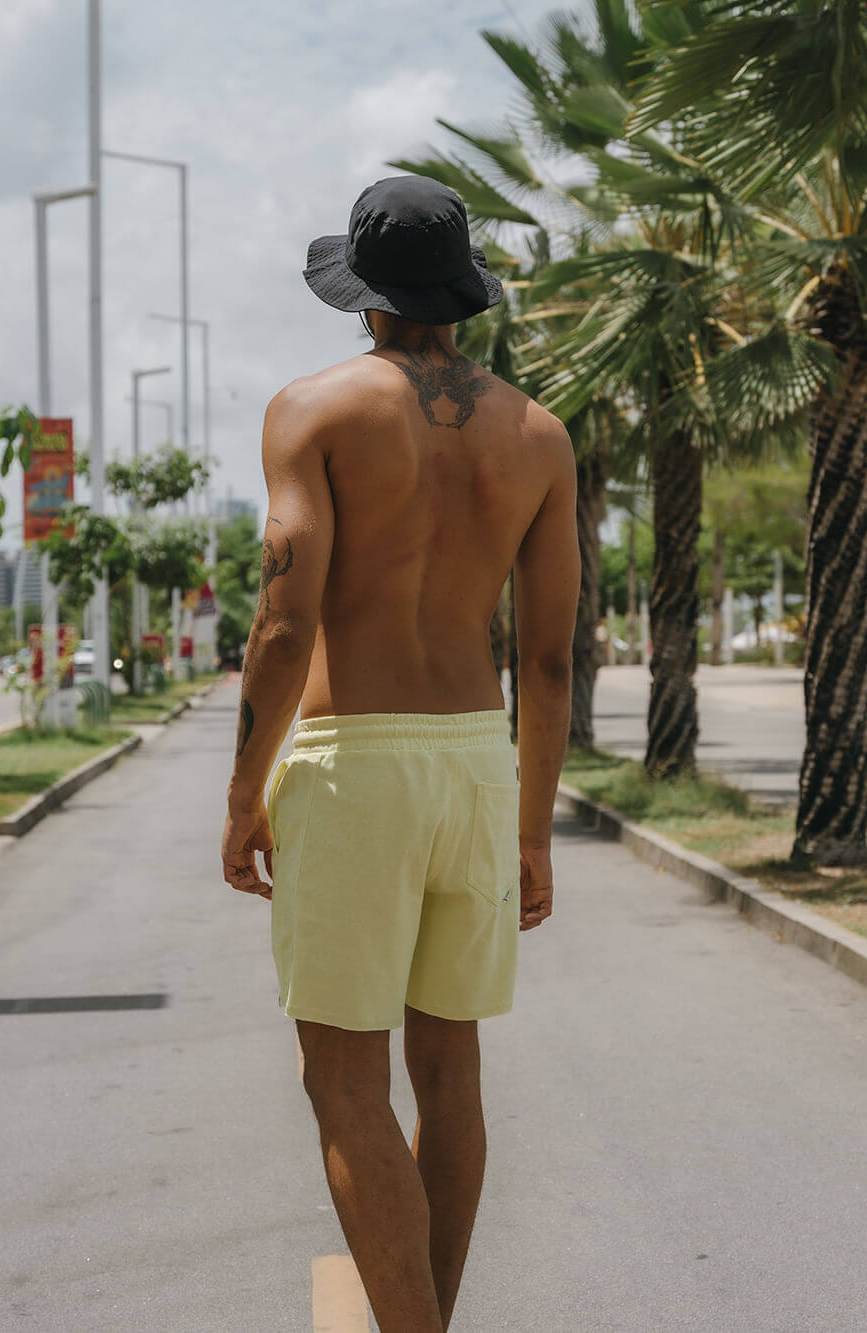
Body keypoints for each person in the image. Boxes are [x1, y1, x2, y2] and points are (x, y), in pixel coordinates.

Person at [221, 174, 579, 1332]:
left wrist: (241, 794)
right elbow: (552, 659)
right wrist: (532, 828)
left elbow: (283, 626)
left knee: (342, 1080)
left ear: (366, 299)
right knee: (449, 1072)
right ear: (459, 294)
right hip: (474, 762)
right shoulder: (539, 436)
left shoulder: (312, 412)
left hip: (353, 766)